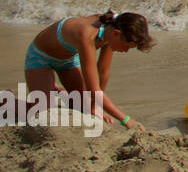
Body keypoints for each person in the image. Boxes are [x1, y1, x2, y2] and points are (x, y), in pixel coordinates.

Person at [23, 11, 154, 130]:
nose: (125, 51)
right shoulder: (87, 35)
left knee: (84, 109)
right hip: (41, 57)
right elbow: (94, 90)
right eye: (127, 47)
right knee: (42, 112)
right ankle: (5, 101)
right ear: (117, 34)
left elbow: (102, 72)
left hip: (68, 60)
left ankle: (54, 88)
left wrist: (94, 107)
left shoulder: (111, 33)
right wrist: (126, 120)